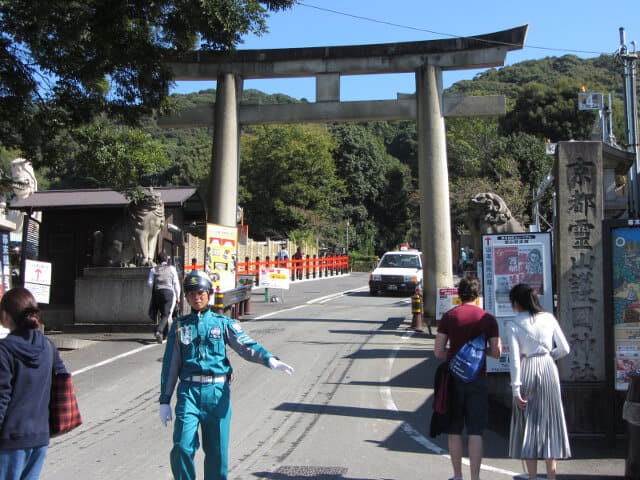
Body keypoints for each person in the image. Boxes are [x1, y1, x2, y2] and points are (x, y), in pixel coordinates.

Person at [159, 271, 294, 480]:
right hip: (189, 392)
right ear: (186, 296)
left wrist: (269, 359)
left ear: (209, 294)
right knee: (182, 447)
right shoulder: (179, 326)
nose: (196, 297)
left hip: (217, 392)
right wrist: (164, 400)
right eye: (191, 293)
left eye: (201, 293)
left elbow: (245, 346)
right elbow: (170, 365)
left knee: (217, 452)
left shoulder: (223, 323)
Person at [435, 277, 502, 480]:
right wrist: (478, 354)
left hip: (453, 380)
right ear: (477, 295)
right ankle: (475, 477)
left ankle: (457, 476)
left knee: (454, 430)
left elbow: (438, 351)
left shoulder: (449, 316)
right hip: (478, 379)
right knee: (475, 431)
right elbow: (497, 352)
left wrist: (457, 355)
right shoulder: (487, 319)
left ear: (458, 294)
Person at [0, 287, 68, 480]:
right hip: (39, 437)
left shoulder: (4, 351)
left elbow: (1, 398)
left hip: (10, 440)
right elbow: (62, 379)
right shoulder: (48, 346)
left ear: (5, 316)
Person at [506, 283, 571, 480]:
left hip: (527, 370)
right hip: (549, 368)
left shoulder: (514, 324)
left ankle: (532, 477)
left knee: (529, 426)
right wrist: (550, 355)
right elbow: (565, 349)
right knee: (551, 422)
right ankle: (552, 476)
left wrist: (516, 389)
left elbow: (515, 360)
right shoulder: (549, 318)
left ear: (517, 302)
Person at [148, 251, 181, 343]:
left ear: (158, 260)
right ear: (167, 260)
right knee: (166, 313)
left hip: (157, 292)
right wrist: (178, 296)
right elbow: (176, 283)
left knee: (162, 314)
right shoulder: (171, 269)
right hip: (168, 292)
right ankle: (159, 331)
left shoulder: (154, 269)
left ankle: (165, 335)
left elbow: (150, 283)